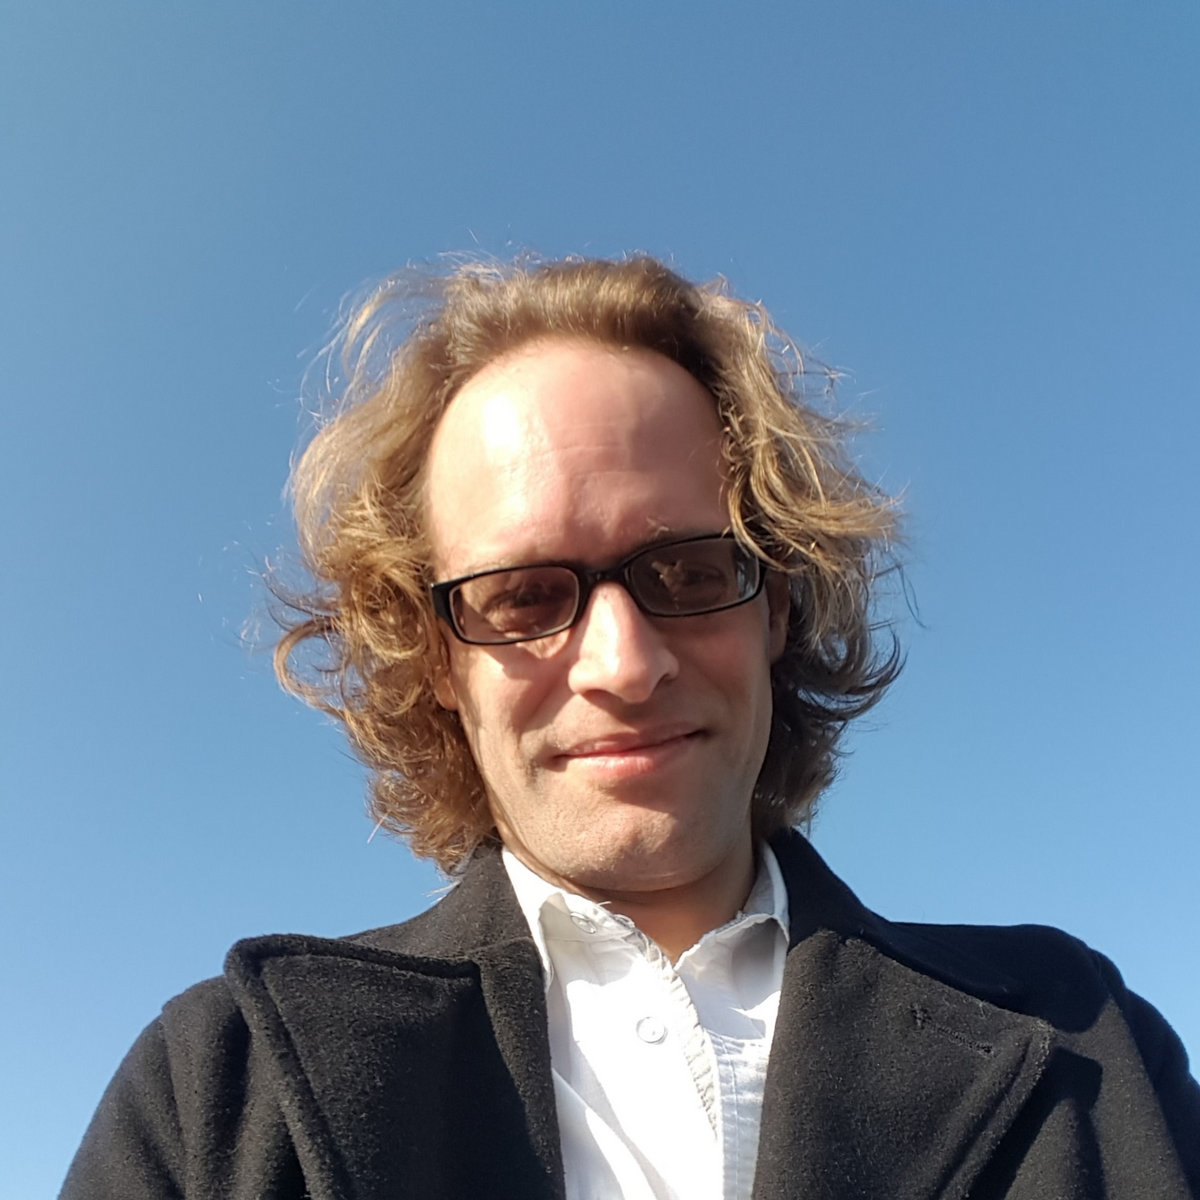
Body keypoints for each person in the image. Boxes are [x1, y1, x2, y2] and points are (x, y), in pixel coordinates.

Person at [62, 256, 1199, 1199]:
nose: (624, 664)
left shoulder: (1092, 1050)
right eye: (521, 596)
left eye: (691, 571)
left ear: (778, 609)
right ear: (439, 660)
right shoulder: (216, 1093)